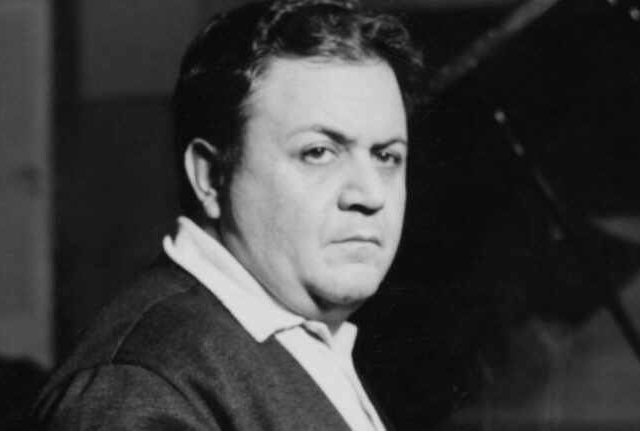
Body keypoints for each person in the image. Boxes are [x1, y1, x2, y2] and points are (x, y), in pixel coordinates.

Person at [26, 0, 424, 429]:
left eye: (387, 156)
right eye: (318, 152)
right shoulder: (138, 386)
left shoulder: (297, 337)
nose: (370, 194)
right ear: (211, 176)